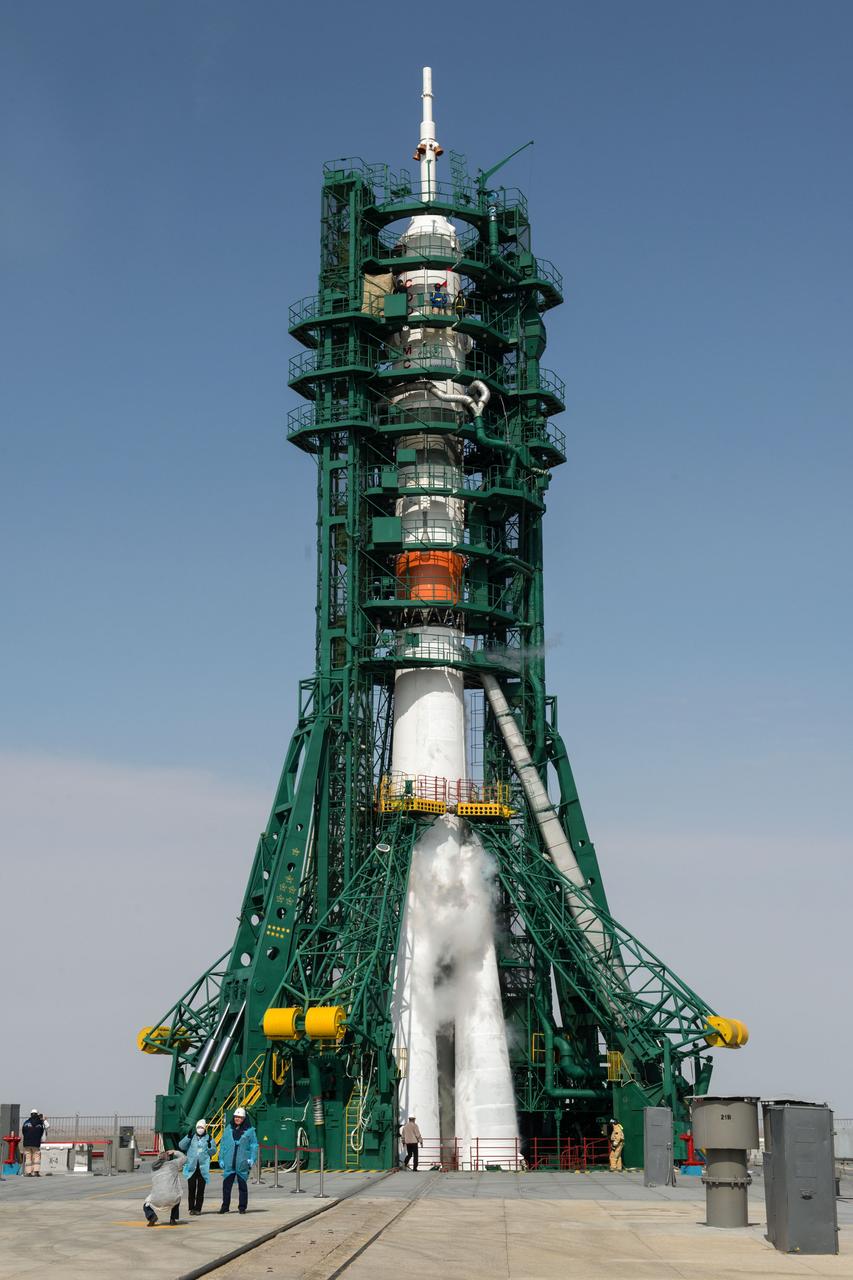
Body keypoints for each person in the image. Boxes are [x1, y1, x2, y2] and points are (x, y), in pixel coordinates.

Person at [218, 1107, 258, 1214]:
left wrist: (252, 1159)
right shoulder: (228, 1129)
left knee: (242, 1186)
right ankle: (225, 1206)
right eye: (236, 1117)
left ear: (244, 1118)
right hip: (229, 1162)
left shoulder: (250, 1131)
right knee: (226, 1186)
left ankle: (242, 1207)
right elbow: (223, 1145)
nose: (237, 1119)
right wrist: (221, 1158)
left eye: (240, 1117)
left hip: (242, 1162)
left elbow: (254, 1145)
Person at [179, 1119, 217, 1215]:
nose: (200, 1129)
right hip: (191, 1167)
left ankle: (198, 1209)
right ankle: (191, 1208)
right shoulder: (192, 1137)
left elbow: (213, 1151)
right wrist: (187, 1137)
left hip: (202, 1168)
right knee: (191, 1188)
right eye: (198, 1127)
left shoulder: (209, 1138)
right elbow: (181, 1146)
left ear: (205, 1128)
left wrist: (209, 1147)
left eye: (202, 1128)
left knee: (201, 1189)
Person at [143, 1150, 187, 1226]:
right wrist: (174, 1151)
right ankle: (173, 1219)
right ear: (168, 1158)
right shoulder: (173, 1164)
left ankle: (152, 1216)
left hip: (156, 1199)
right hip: (171, 1197)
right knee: (177, 1198)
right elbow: (184, 1158)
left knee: (146, 1205)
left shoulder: (153, 1167)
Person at [21, 1110, 47, 1177]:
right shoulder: (40, 1123)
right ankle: (36, 1172)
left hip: (27, 1143)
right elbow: (41, 1133)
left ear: (31, 1114)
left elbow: (23, 1132)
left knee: (28, 1158)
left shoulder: (26, 1122)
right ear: (37, 1114)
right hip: (36, 1143)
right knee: (36, 1157)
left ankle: (28, 1172)